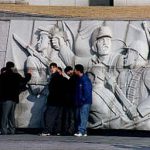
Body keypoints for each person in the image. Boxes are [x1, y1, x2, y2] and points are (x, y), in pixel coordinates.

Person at [0, 61, 31, 135]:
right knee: (11, 115)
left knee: (4, 115)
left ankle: (4, 131)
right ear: (12, 67)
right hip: (14, 99)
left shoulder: (2, 76)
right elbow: (24, 80)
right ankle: (12, 130)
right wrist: (29, 74)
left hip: (5, 99)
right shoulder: (16, 75)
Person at [41, 63, 67, 136]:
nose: (52, 69)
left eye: (53, 67)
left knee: (49, 115)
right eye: (51, 67)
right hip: (60, 101)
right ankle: (57, 131)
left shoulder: (54, 77)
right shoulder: (62, 78)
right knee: (58, 116)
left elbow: (52, 89)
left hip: (53, 100)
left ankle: (47, 131)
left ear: (57, 68)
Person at [73, 64, 92, 137]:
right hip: (81, 101)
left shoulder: (85, 79)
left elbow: (87, 91)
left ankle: (81, 131)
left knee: (83, 116)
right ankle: (84, 131)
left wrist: (82, 99)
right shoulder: (80, 79)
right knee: (81, 116)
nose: (74, 71)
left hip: (85, 102)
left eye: (75, 70)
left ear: (78, 71)